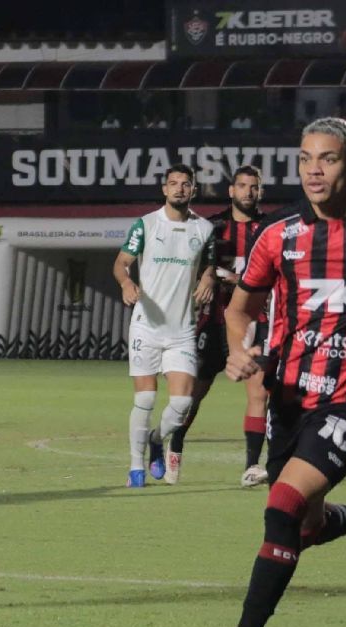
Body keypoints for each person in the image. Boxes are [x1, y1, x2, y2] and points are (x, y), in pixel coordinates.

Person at [189, 117, 346, 627]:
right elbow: (239, 307)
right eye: (304, 159)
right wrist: (240, 351)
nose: (314, 170)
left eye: (327, 159)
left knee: (282, 504)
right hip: (291, 400)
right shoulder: (280, 235)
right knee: (304, 527)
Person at [113, 163, 216, 487]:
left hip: (182, 329)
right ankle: (135, 468)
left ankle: (157, 439)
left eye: (186, 184)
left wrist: (209, 277)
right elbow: (120, 264)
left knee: (182, 403)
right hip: (147, 325)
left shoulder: (204, 230)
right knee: (144, 399)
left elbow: (210, 265)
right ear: (164, 189)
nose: (180, 189)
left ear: (193, 190)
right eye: (174, 183)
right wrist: (126, 284)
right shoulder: (145, 225)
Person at [169, 166, 269, 488]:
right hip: (214, 322)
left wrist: (238, 281)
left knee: (259, 392)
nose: (248, 192)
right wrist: (208, 274)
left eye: (253, 187)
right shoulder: (211, 227)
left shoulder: (270, 229)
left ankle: (252, 466)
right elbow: (190, 266)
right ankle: (174, 446)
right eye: (242, 186)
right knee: (192, 395)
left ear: (260, 191)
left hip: (254, 324)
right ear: (231, 191)